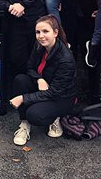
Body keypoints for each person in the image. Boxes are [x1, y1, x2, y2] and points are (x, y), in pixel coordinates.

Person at [9, 15, 77, 146]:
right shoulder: (40, 45)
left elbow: (55, 93)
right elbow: (29, 67)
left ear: (55, 32)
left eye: (45, 31)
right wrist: (39, 79)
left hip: (61, 98)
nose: (41, 36)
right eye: (38, 32)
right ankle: (24, 125)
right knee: (20, 80)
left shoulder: (65, 59)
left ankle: (56, 118)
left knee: (34, 114)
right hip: (44, 88)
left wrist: (23, 98)